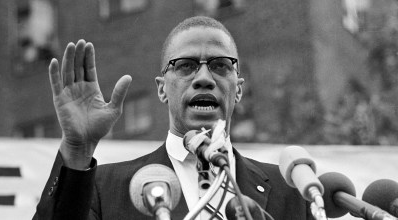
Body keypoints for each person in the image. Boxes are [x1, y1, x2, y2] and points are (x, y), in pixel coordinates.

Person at [32, 16, 312, 220]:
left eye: (220, 66)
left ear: (238, 89)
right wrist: (77, 149)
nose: (203, 78)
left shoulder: (293, 193)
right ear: (162, 89)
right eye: (186, 66)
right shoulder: (105, 189)